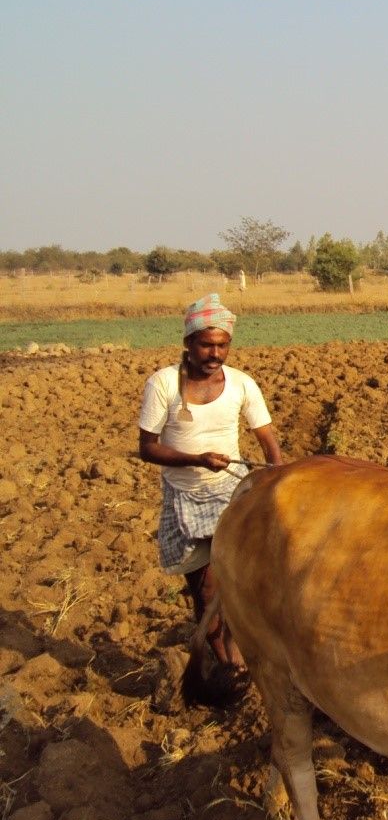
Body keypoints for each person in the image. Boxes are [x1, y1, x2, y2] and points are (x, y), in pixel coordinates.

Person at [138, 293, 282, 692]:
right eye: (206, 344)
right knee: (205, 589)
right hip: (184, 497)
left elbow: (267, 438)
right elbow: (147, 447)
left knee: (241, 585)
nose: (215, 353)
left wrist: (277, 474)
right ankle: (223, 657)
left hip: (232, 495)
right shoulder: (164, 384)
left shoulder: (241, 384)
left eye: (222, 345)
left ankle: (240, 650)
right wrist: (196, 459)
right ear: (188, 342)